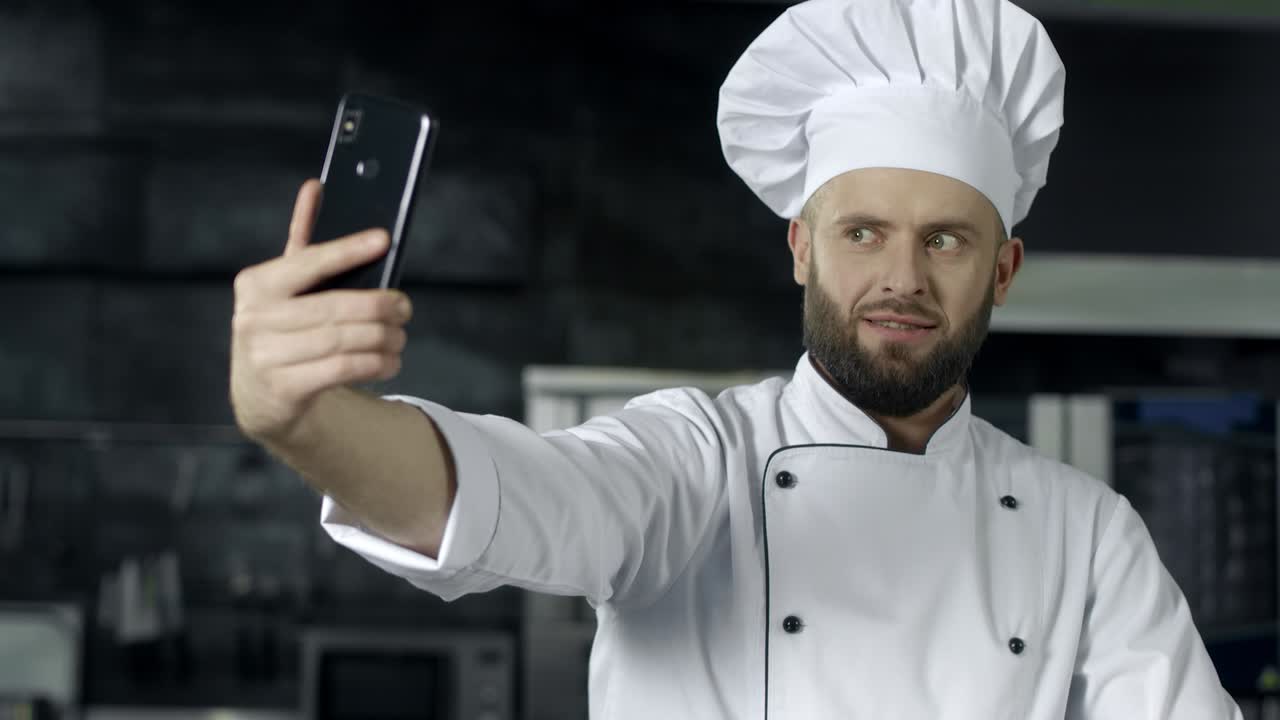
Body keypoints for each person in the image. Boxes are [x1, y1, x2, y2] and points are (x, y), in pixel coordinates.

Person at [229, 0, 1243, 717]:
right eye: (861, 233)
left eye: (944, 239)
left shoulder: (1084, 531)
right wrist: (304, 419)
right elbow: (499, 493)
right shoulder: (695, 462)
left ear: (1002, 268)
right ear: (800, 246)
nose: (902, 276)